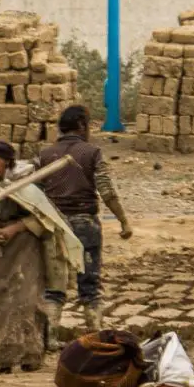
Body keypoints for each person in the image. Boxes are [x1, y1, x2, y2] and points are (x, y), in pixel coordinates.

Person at [0, 141, 80, 373]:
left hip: (25, 249)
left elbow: (45, 219)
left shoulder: (26, 186)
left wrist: (16, 228)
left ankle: (29, 356)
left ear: (7, 162)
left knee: (25, 301)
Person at [28, 103, 136, 312]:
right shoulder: (92, 152)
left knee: (54, 290)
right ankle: (94, 326)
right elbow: (106, 191)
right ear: (81, 125)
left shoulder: (45, 154)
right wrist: (123, 221)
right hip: (84, 224)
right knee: (90, 289)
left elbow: (34, 194)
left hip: (54, 226)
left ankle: (51, 330)